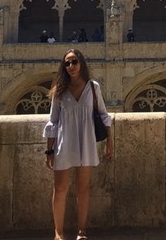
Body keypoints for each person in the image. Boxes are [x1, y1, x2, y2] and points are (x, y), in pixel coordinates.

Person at [44, 49, 113, 240]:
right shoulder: (59, 89)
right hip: (64, 143)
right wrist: (49, 150)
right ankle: (58, 233)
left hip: (86, 142)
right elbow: (53, 121)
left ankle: (82, 231)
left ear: (81, 63)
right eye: (66, 63)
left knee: (83, 189)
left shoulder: (93, 87)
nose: (71, 66)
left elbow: (104, 115)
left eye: (74, 62)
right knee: (60, 189)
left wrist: (110, 143)